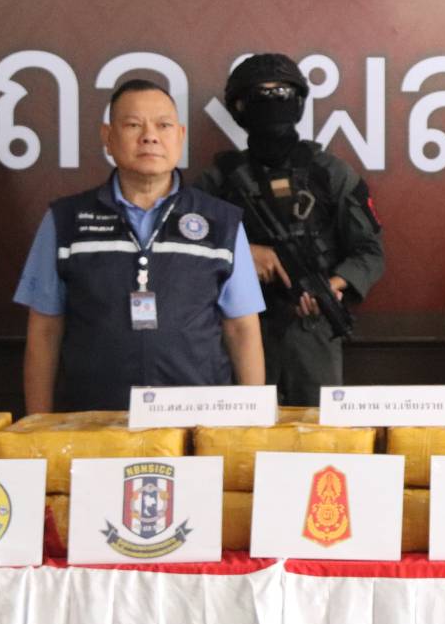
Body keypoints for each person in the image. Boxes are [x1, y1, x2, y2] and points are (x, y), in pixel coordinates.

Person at [15, 79, 265, 412]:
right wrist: (37, 424)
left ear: (180, 136)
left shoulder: (222, 221)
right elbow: (45, 330)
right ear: (107, 137)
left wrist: (252, 421)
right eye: (133, 125)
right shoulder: (65, 220)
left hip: (196, 420)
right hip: (94, 420)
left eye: (163, 125)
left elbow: (242, 329)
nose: (150, 136)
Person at [196, 53, 385, 403]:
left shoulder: (330, 173)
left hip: (312, 329)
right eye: (260, 96)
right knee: (244, 429)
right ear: (239, 107)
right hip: (242, 328)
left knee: (317, 429)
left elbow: (369, 253)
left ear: (297, 102)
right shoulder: (218, 180)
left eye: (281, 93)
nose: (272, 103)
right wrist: (242, 255)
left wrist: (334, 285)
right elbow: (184, 254)